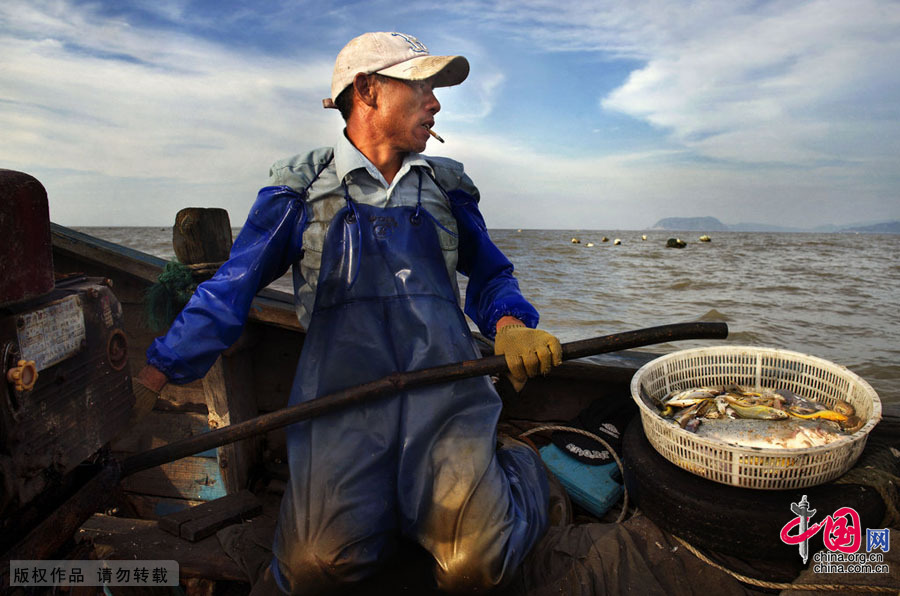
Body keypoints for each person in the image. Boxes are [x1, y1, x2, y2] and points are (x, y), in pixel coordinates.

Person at [135, 31, 563, 594]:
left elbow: (491, 275)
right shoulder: (302, 190)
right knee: (316, 567)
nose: (435, 103)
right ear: (367, 90)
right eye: (421, 86)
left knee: (475, 566)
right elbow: (228, 292)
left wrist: (510, 324)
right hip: (342, 407)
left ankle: (524, 467)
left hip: (446, 403)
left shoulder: (446, 187)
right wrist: (156, 372)